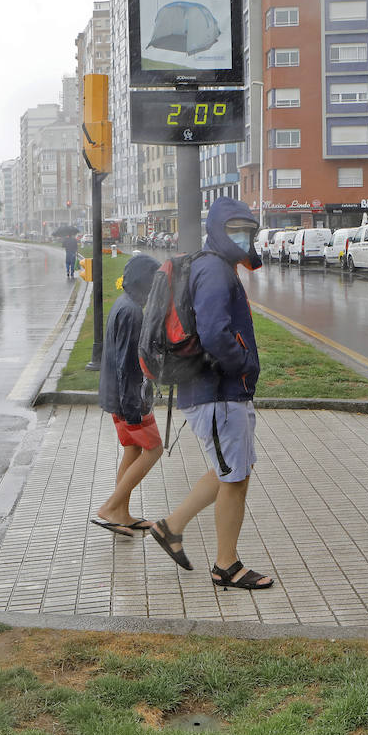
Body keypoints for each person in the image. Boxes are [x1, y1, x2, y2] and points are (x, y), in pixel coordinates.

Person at [149, 197, 274, 590]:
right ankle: (226, 566)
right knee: (234, 479)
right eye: (235, 228)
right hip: (218, 391)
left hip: (217, 390)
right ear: (218, 229)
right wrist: (243, 365)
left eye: (248, 230)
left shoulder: (211, 265)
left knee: (232, 471)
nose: (243, 236)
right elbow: (215, 332)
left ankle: (171, 527)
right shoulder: (216, 270)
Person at [91, 253, 163, 537]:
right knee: (153, 449)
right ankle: (110, 507)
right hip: (129, 400)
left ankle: (122, 513)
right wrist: (133, 406)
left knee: (133, 450)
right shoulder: (133, 312)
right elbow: (127, 365)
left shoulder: (125, 304)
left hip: (117, 397)